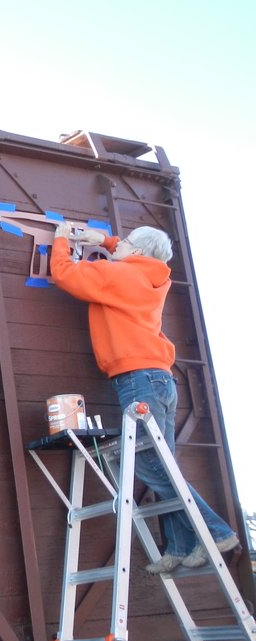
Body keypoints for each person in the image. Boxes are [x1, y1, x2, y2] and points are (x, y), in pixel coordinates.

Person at [50, 221, 239, 573]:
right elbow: (128, 251)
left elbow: (66, 275)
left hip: (137, 380)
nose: (115, 247)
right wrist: (105, 240)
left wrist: (61, 240)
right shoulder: (154, 277)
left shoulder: (117, 275)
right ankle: (181, 546)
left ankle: (216, 532)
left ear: (135, 251)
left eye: (123, 244)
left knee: (153, 467)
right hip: (159, 379)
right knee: (164, 465)